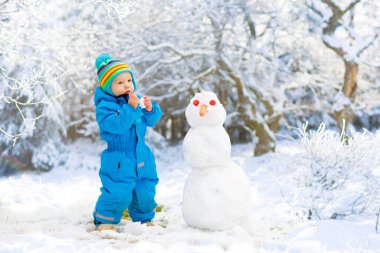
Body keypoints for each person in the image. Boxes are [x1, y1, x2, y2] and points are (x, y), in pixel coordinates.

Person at [92, 53, 162, 231]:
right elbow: (117, 125)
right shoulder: (105, 107)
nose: (126, 85)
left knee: (145, 189)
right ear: (108, 86)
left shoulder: (134, 101)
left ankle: (144, 218)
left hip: (141, 155)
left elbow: (151, 120)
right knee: (118, 191)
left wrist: (149, 108)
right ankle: (105, 219)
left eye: (129, 80)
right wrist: (130, 107)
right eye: (120, 83)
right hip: (119, 158)